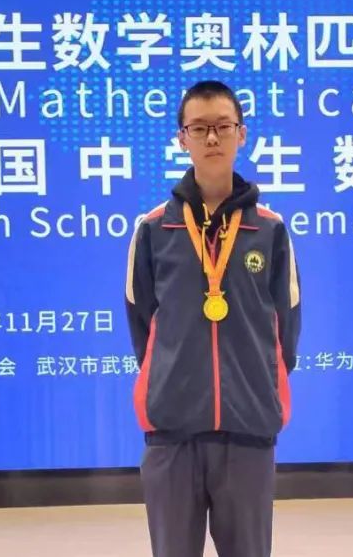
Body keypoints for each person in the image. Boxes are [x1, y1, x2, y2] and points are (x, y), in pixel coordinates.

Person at [125, 80, 302, 557]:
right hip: (172, 433)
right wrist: (172, 381)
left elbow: (286, 327)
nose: (211, 138)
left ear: (241, 134)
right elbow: (142, 323)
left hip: (247, 431)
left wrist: (256, 389)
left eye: (223, 126)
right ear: (181, 138)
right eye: (198, 128)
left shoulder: (269, 230)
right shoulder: (154, 229)